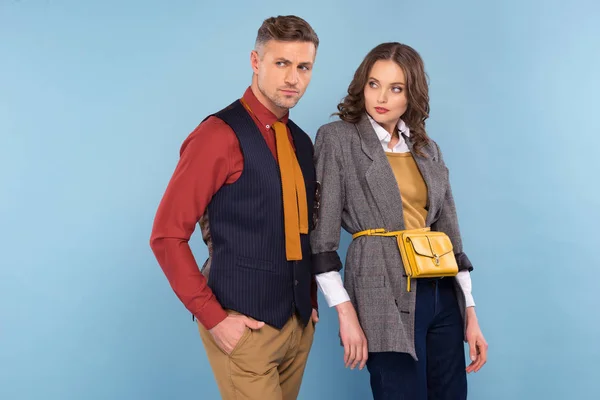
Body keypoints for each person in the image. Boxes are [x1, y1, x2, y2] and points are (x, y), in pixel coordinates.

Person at [149, 15, 320, 400]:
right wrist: (215, 319)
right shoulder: (217, 135)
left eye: (303, 67)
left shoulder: (301, 142)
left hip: (297, 328)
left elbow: (301, 229)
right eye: (281, 63)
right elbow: (166, 236)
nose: (293, 78)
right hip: (243, 328)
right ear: (256, 62)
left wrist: (308, 302)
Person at [310, 42, 488, 399]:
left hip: (440, 294)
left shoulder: (426, 148)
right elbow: (321, 240)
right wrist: (346, 314)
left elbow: (451, 236)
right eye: (374, 84)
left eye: (396, 88)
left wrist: (470, 312)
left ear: (412, 94)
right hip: (381, 290)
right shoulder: (338, 139)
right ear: (362, 84)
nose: (382, 97)